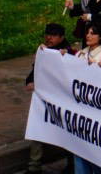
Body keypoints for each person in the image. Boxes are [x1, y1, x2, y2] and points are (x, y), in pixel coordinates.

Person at [25, 23, 73, 174]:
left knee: (68, 134)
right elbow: (36, 70)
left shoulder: (69, 53)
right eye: (47, 34)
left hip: (62, 102)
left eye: (53, 35)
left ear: (61, 37)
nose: (49, 38)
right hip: (45, 101)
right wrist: (30, 81)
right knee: (37, 128)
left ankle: (71, 165)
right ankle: (34, 165)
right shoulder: (43, 50)